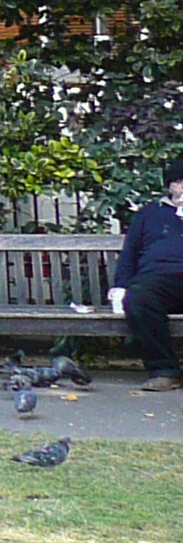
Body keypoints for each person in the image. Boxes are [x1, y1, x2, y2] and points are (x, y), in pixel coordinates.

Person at [108, 159, 183, 393]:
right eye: (180, 182)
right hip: (157, 280)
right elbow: (129, 253)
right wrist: (120, 286)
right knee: (138, 298)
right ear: (170, 186)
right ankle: (165, 371)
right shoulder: (149, 214)